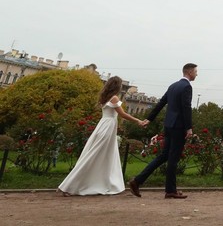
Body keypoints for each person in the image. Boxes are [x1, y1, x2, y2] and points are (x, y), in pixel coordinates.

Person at [57, 76, 148, 196]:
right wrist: (138, 121)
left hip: (103, 125)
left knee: (99, 155)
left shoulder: (105, 97)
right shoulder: (114, 98)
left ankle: (101, 182)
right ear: (117, 86)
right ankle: (68, 186)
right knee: (94, 155)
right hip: (108, 127)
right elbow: (122, 114)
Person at [128, 63, 197, 199]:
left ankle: (137, 181)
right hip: (178, 127)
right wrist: (189, 128)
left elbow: (161, 103)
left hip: (168, 126)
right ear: (189, 72)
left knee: (164, 156)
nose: (197, 74)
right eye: (195, 71)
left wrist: (149, 118)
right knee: (173, 159)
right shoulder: (187, 87)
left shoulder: (173, 86)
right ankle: (170, 191)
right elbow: (186, 108)